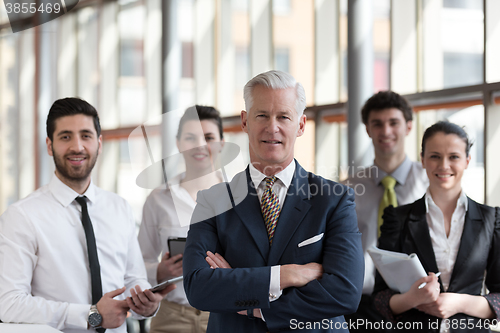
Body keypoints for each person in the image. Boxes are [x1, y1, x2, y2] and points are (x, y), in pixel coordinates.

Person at [182, 70, 364, 333]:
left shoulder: (334, 199)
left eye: (283, 117)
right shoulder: (213, 201)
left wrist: (252, 307)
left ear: (300, 125)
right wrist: (287, 275)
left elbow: (345, 293)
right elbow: (199, 288)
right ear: (245, 121)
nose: (272, 127)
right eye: (262, 116)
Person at [0, 98, 173, 333]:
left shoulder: (119, 208)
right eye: (65, 137)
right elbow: (9, 304)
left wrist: (147, 304)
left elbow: (134, 278)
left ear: (99, 143)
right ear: (50, 146)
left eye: (86, 135)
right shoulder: (22, 216)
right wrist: (92, 316)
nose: (77, 147)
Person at [373, 121, 500, 332]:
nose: (444, 165)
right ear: (422, 160)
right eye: (434, 156)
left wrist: (459, 303)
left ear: (467, 161)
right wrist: (412, 299)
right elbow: (379, 299)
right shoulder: (397, 218)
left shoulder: (491, 218)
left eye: (454, 157)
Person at [344, 91, 428, 331]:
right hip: (361, 303)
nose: (386, 131)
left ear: (409, 127)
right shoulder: (348, 188)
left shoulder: (429, 183)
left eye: (394, 123)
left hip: (415, 300)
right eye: (377, 124)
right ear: (368, 130)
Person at [138, 105, 225, 333]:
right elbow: (136, 263)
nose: (200, 145)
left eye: (208, 137)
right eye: (190, 137)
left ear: (222, 143)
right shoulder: (158, 199)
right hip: (170, 318)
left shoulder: (238, 198)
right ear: (178, 144)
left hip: (224, 315)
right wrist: (159, 271)